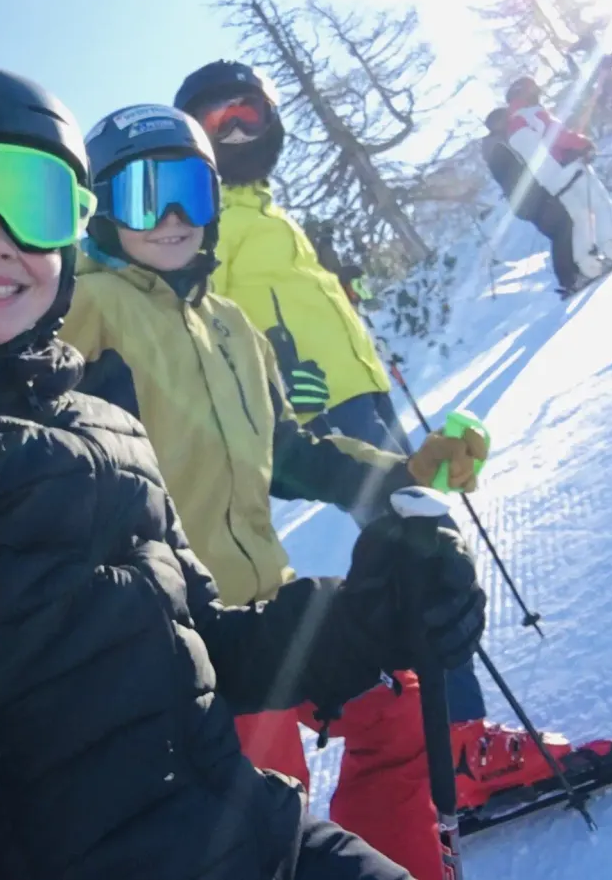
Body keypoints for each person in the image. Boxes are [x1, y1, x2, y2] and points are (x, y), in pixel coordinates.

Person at [0, 67, 488, 880]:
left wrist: (380, 608)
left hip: (234, 822)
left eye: (34, 202)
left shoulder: (128, 409)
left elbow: (202, 633)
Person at [63, 104, 493, 880]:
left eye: (189, 193)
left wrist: (405, 470)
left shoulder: (231, 326)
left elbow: (290, 451)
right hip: (184, 643)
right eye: (140, 195)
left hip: (268, 611)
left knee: (397, 713)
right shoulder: (84, 307)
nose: (168, 218)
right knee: (269, 826)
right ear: (98, 211)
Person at [172, 60, 407, 465]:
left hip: (363, 379)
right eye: (218, 123)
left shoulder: (271, 214)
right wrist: (270, 384)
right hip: (319, 399)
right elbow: (198, 326)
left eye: (247, 116)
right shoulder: (206, 223)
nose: (237, 134)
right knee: (409, 517)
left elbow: (286, 293)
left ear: (271, 121)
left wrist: (336, 287)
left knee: (425, 500)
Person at [505, 76, 612, 286]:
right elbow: (558, 136)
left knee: (580, 217)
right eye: (534, 90)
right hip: (567, 167)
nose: (538, 93)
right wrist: (582, 144)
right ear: (525, 93)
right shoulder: (532, 113)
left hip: (550, 180)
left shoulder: (513, 127)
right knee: (601, 204)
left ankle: (588, 265)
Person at [480, 106, 581, 292]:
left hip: (522, 203)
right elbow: (522, 173)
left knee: (560, 231)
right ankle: (570, 279)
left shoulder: (494, 148)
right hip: (532, 198)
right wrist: (542, 191)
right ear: (497, 124)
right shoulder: (502, 147)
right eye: (507, 118)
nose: (511, 120)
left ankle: (572, 275)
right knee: (564, 226)